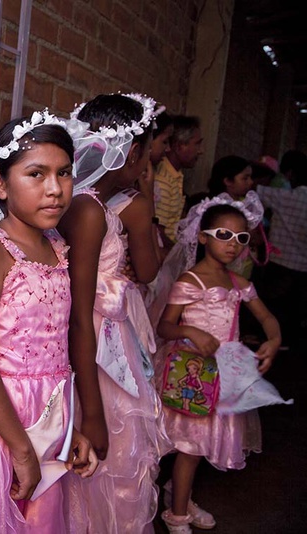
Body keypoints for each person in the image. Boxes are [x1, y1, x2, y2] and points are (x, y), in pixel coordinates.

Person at [0, 111, 98, 533]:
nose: (55, 189)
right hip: (2, 420)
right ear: (0, 183)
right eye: (36, 174)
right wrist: (19, 448)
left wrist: (71, 427)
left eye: (64, 173)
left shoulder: (57, 246)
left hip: (51, 411)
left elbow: (57, 348)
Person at [59, 93, 170, 534]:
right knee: (111, 451)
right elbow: (147, 270)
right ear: (136, 152)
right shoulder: (116, 208)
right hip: (101, 344)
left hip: (73, 338)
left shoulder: (63, 197)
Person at [156, 199, 282, 533]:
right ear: (202, 237)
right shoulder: (190, 282)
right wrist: (188, 330)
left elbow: (267, 318)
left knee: (196, 449)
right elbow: (164, 327)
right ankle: (177, 514)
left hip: (222, 378)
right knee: (190, 448)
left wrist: (272, 339)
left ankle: (179, 497)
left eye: (241, 238)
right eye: (224, 234)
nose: (233, 244)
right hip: (191, 376)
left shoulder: (239, 284)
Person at [256, 150, 307, 349]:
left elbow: (254, 189)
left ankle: (269, 344)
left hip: (279, 262)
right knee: (294, 311)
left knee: (273, 308)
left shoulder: (283, 196)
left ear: (291, 174)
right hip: (303, 266)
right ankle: (286, 346)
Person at [154, 115, 204, 242]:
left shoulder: (175, 176)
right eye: (197, 144)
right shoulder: (163, 180)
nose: (201, 151)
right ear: (179, 146)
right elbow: (157, 233)